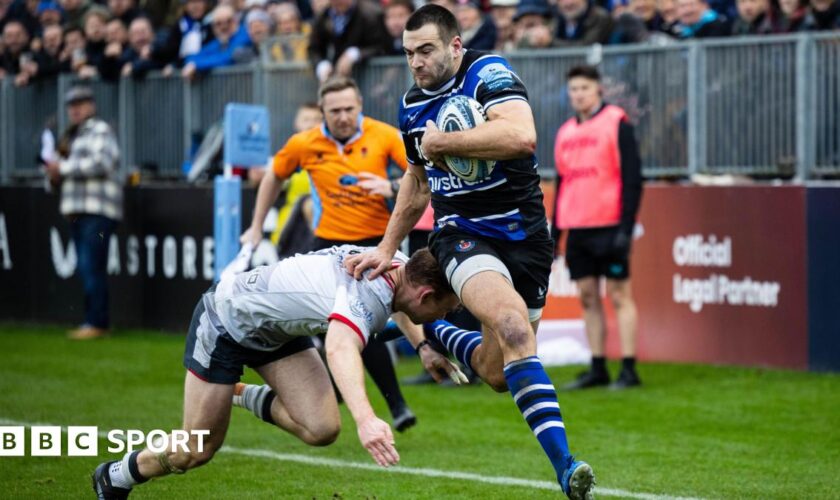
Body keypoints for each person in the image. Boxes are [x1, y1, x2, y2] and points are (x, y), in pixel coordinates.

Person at [344, 5, 595, 499]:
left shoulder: (488, 72)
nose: (415, 62)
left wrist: (445, 141)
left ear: (455, 46)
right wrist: (387, 248)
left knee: (498, 373)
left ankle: (433, 328)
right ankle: (567, 468)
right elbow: (416, 182)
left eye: (426, 50)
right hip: (460, 232)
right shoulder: (411, 104)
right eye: (408, 53)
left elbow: (521, 136)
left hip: (525, 236)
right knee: (513, 325)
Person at [89, 246, 464, 499]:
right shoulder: (362, 297)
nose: (445, 317)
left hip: (277, 333)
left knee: (322, 429)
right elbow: (338, 346)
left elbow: (399, 306)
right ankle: (116, 475)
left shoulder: (395, 260)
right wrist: (366, 419)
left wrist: (423, 346)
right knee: (197, 449)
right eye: (446, 309)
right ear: (426, 294)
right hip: (225, 321)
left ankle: (237, 393)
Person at [242, 77, 419, 432]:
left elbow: (422, 173)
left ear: (360, 104)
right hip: (329, 249)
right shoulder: (305, 143)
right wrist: (256, 225)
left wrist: (391, 186)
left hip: (377, 243)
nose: (342, 116)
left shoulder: (383, 135)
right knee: (349, 324)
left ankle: (407, 381)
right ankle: (385, 401)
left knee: (368, 320)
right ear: (322, 111)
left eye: (349, 109)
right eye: (335, 110)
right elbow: (273, 177)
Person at [553, 65, 643, 391]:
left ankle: (629, 368)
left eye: (584, 88)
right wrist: (555, 233)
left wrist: (626, 227)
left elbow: (633, 178)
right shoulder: (564, 132)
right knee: (588, 297)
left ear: (598, 90)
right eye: (574, 89)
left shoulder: (616, 122)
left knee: (620, 294)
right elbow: (562, 183)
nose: (578, 94)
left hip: (610, 225)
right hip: (577, 227)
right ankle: (598, 366)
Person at [44, 86, 122, 340]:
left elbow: (102, 162)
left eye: (80, 102)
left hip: (97, 210)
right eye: (71, 104)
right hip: (77, 211)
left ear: (92, 105)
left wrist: (62, 168)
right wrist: (53, 175)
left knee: (92, 266)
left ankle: (96, 323)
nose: (75, 108)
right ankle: (94, 321)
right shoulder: (69, 137)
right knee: (87, 267)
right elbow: (57, 177)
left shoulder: (99, 129)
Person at [308, 0, 391, 83]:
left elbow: (382, 46)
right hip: (338, 81)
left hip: (371, 80)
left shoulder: (371, 13)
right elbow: (314, 49)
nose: (338, 2)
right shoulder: (323, 16)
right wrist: (321, 65)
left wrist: (356, 54)